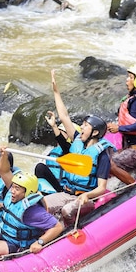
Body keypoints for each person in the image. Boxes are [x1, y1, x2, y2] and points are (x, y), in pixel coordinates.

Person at [37, 69, 114, 225]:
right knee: (39, 205)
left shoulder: (102, 155)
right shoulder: (77, 140)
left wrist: (87, 195)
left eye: (86, 126)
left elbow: (101, 188)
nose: (82, 128)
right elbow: (64, 116)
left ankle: (71, 231)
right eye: (83, 125)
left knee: (67, 210)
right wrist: (55, 90)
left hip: (84, 198)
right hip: (66, 192)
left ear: (95, 132)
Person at [0, 147, 63, 257]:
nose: (12, 191)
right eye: (13, 187)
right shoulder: (12, 192)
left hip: (19, 244)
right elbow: (4, 170)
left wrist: (40, 242)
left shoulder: (32, 211)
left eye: (17, 189)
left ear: (28, 192)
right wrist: (3, 155)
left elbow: (57, 227)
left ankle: (16, 255)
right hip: (5, 234)